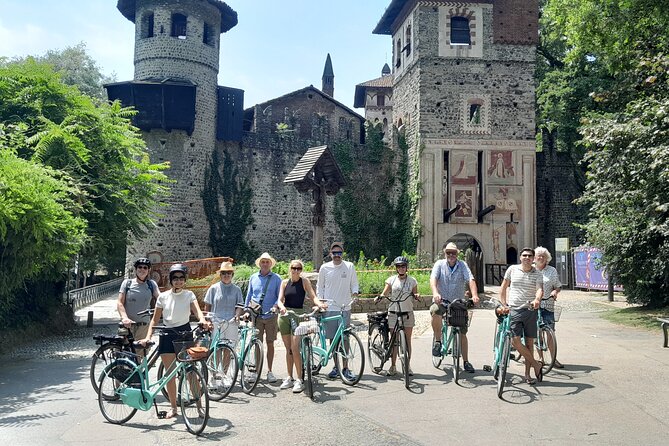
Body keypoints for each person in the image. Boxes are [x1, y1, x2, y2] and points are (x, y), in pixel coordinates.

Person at [140, 264, 207, 419]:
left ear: (185, 280)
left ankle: (199, 407)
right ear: (171, 280)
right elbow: (155, 320)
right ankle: (173, 408)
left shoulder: (189, 294)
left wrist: (202, 320)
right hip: (167, 333)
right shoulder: (163, 297)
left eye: (181, 278)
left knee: (190, 373)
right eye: (175, 278)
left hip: (184, 334)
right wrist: (148, 336)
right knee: (170, 374)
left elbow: (197, 311)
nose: (178, 281)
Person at [277, 260, 327, 393]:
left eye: (299, 268)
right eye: (294, 268)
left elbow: (312, 296)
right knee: (289, 349)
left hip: (298, 314)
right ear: (290, 269)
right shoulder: (284, 283)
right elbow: (280, 300)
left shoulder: (304, 282)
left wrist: (319, 304)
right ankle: (289, 377)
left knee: (295, 347)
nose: (296, 271)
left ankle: (300, 379)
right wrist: (281, 308)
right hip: (285, 315)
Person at [429, 242, 480, 373]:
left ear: (457, 254)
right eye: (448, 252)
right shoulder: (439, 264)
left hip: (458, 302)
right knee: (435, 310)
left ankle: (466, 361)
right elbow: (433, 279)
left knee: (462, 332)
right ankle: (438, 341)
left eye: (453, 252)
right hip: (443, 300)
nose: (451, 255)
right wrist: (435, 293)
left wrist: (474, 295)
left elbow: (470, 279)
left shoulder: (462, 265)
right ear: (444, 253)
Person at [499, 247, 544, 384]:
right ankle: (536, 365)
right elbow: (504, 286)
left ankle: (527, 375)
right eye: (524, 255)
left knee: (530, 343)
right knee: (516, 341)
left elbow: (539, 289)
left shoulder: (537, 273)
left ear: (533, 259)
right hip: (515, 309)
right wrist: (503, 303)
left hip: (530, 310)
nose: (527, 258)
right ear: (520, 258)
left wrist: (537, 299)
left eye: (530, 256)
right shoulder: (512, 269)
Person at [316, 242, 359, 380]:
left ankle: (345, 367)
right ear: (330, 254)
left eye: (339, 253)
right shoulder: (324, 267)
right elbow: (320, 286)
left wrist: (355, 293)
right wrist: (321, 302)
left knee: (344, 338)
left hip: (345, 307)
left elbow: (354, 283)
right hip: (330, 307)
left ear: (342, 254)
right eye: (334, 253)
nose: (337, 256)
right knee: (332, 339)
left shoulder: (349, 266)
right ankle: (336, 367)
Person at [375, 256, 419, 376]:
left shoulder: (412, 280)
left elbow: (415, 293)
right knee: (394, 341)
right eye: (399, 266)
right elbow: (385, 292)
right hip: (394, 312)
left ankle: (407, 365)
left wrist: (417, 295)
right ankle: (393, 366)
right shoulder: (391, 280)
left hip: (407, 313)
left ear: (406, 267)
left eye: (403, 266)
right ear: (396, 268)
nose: (401, 268)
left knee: (408, 340)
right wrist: (380, 296)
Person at [203, 261, 244, 388]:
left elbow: (240, 305)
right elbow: (208, 305)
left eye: (229, 273)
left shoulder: (236, 289)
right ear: (220, 275)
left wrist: (237, 315)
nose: (226, 275)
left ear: (232, 274)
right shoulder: (214, 288)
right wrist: (208, 320)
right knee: (216, 350)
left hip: (231, 322)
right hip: (217, 322)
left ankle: (225, 375)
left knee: (228, 351)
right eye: (224, 273)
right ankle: (214, 377)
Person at [245, 252, 282, 383]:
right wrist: (246, 311)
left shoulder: (277, 279)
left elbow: (279, 296)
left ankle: (270, 371)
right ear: (259, 263)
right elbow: (249, 296)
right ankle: (257, 371)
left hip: (271, 315)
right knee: (257, 344)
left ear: (270, 264)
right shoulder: (253, 277)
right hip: (257, 315)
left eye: (267, 262)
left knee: (270, 343)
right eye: (263, 262)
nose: (265, 264)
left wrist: (275, 306)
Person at [117, 257, 160, 357]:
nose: (142, 269)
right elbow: (120, 302)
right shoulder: (127, 283)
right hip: (128, 325)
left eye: (145, 267)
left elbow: (160, 298)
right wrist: (124, 318)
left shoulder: (151, 284)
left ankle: (138, 372)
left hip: (143, 326)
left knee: (141, 354)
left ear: (148, 270)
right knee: (124, 353)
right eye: (139, 267)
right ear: (136, 269)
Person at [534, 246, 563, 368]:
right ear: (534, 258)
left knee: (550, 333)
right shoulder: (531, 270)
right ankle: (540, 358)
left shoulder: (552, 271)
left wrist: (555, 292)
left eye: (543, 256)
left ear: (547, 258)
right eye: (538, 255)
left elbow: (558, 286)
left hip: (548, 304)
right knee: (537, 333)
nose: (541, 257)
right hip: (534, 305)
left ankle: (553, 359)